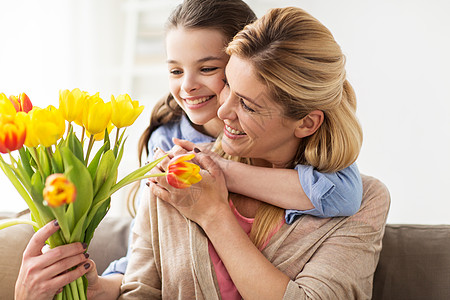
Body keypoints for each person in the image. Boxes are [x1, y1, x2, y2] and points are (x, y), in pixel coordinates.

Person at [121, 6, 390, 299]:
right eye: (229, 85)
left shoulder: (364, 199)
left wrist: (214, 214)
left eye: (248, 105)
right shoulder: (181, 163)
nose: (222, 112)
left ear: (306, 122)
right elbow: (139, 288)